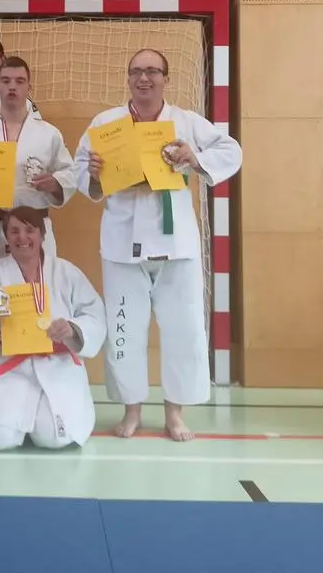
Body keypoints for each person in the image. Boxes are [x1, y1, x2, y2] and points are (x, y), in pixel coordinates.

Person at [73, 48, 242, 442]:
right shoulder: (107, 124)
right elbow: (81, 171)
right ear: (128, 78)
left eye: (152, 71)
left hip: (176, 242)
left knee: (184, 328)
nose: (143, 78)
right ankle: (131, 409)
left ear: (166, 78)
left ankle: (174, 412)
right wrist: (94, 174)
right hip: (122, 243)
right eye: (136, 71)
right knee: (125, 330)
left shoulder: (185, 121)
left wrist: (194, 157)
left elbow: (232, 150)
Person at [0, 207, 107, 450]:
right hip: (8, 368)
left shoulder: (66, 272)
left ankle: (37, 417)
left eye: (29, 230)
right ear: (6, 237)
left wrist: (72, 329)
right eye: (14, 231)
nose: (22, 237)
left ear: (42, 235)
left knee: (55, 439)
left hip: (57, 366)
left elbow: (94, 314)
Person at [0, 56, 75, 263]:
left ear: (29, 88)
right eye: (6, 81)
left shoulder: (49, 134)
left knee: (35, 281)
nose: (12, 87)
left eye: (19, 81)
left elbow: (70, 172)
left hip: (33, 227)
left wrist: (56, 183)